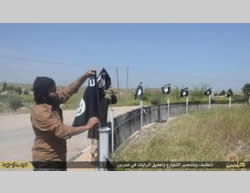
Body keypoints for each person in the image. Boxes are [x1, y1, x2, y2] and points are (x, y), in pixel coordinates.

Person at [31, 70, 99, 171]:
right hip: (47, 162)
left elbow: (68, 91)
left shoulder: (51, 100)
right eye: (53, 91)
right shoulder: (40, 112)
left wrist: (84, 76)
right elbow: (62, 131)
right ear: (43, 95)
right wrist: (87, 126)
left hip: (58, 158)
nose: (56, 92)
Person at [87, 85, 117, 161]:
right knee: (96, 145)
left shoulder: (104, 101)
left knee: (98, 144)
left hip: (98, 126)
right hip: (95, 126)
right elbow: (114, 100)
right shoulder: (95, 101)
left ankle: (97, 159)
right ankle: (95, 160)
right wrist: (112, 92)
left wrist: (112, 92)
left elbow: (114, 101)